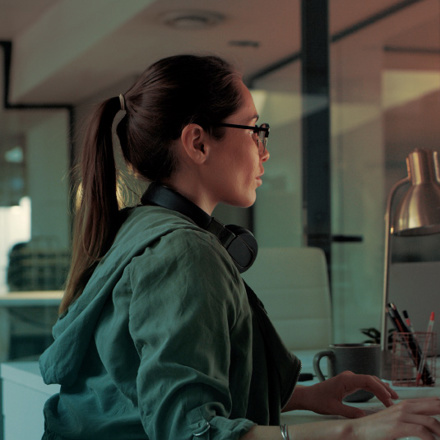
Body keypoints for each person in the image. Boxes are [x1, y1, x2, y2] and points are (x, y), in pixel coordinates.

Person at [39, 54, 440, 440]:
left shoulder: (141, 227)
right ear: (197, 142)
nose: (264, 151)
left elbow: (143, 393)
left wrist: (305, 395)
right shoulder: (183, 253)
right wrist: (358, 430)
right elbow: (192, 433)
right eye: (254, 130)